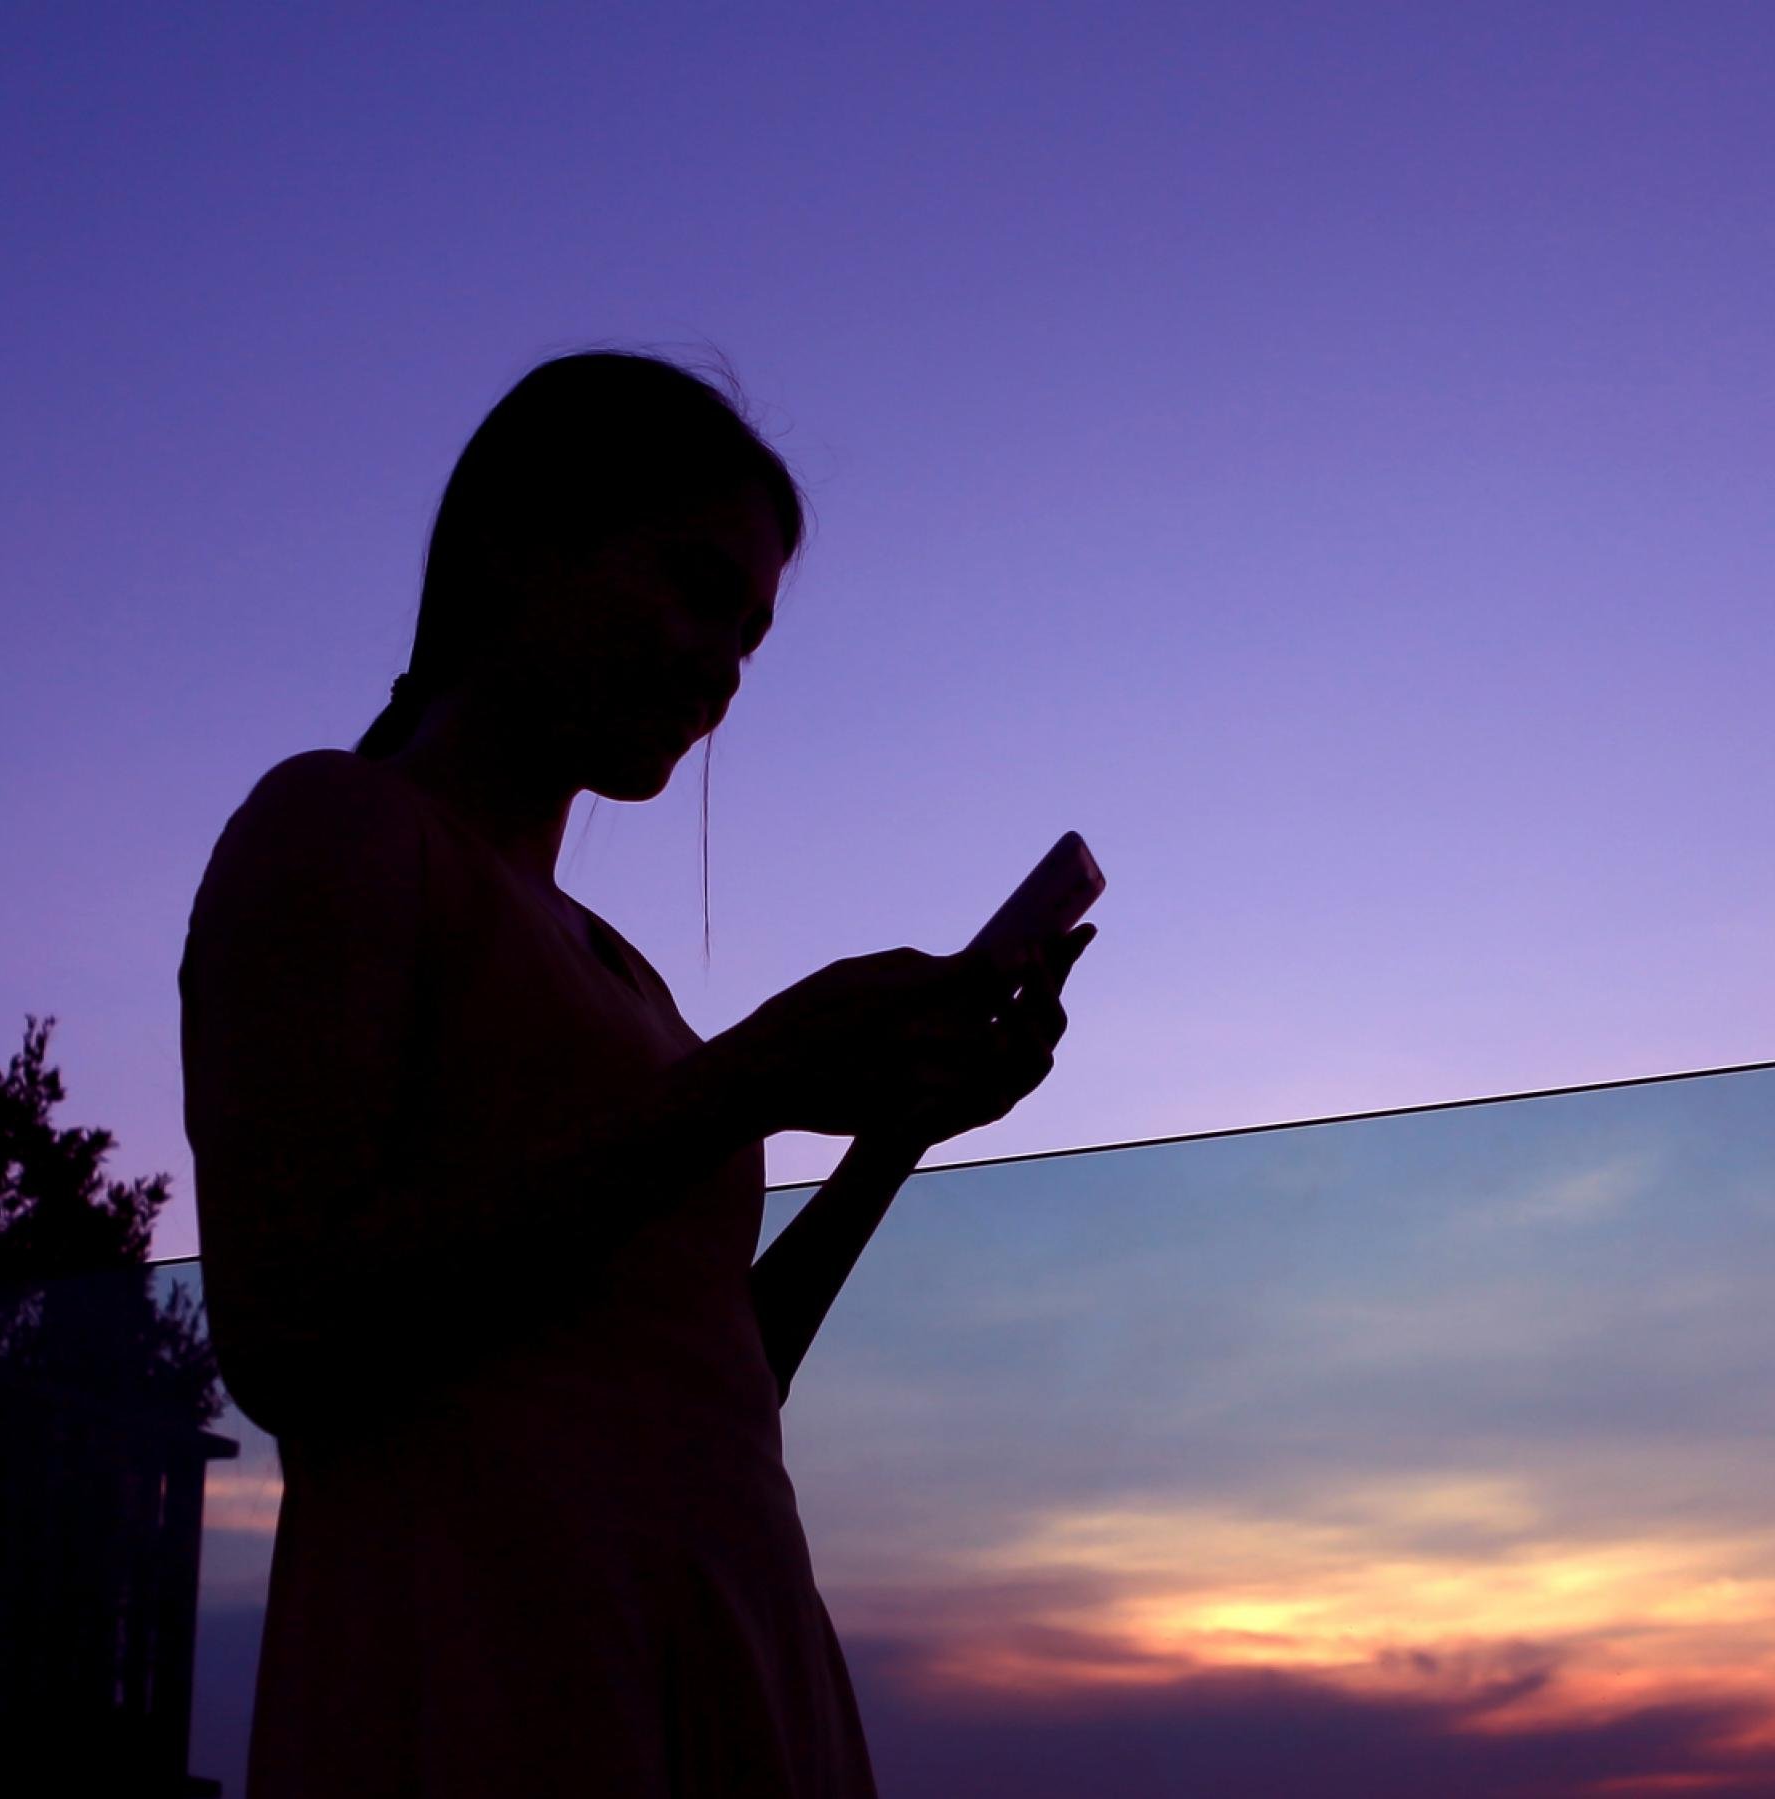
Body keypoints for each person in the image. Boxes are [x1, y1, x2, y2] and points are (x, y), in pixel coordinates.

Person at [176, 349, 1091, 1797]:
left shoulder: (620, 973)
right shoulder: (338, 827)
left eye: (748, 636)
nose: (720, 669)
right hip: (495, 1656)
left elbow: (710, 1377)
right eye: (690, 585)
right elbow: (291, 1328)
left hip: (717, 1636)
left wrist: (886, 1148)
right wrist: (755, 1074)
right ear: (518, 546)